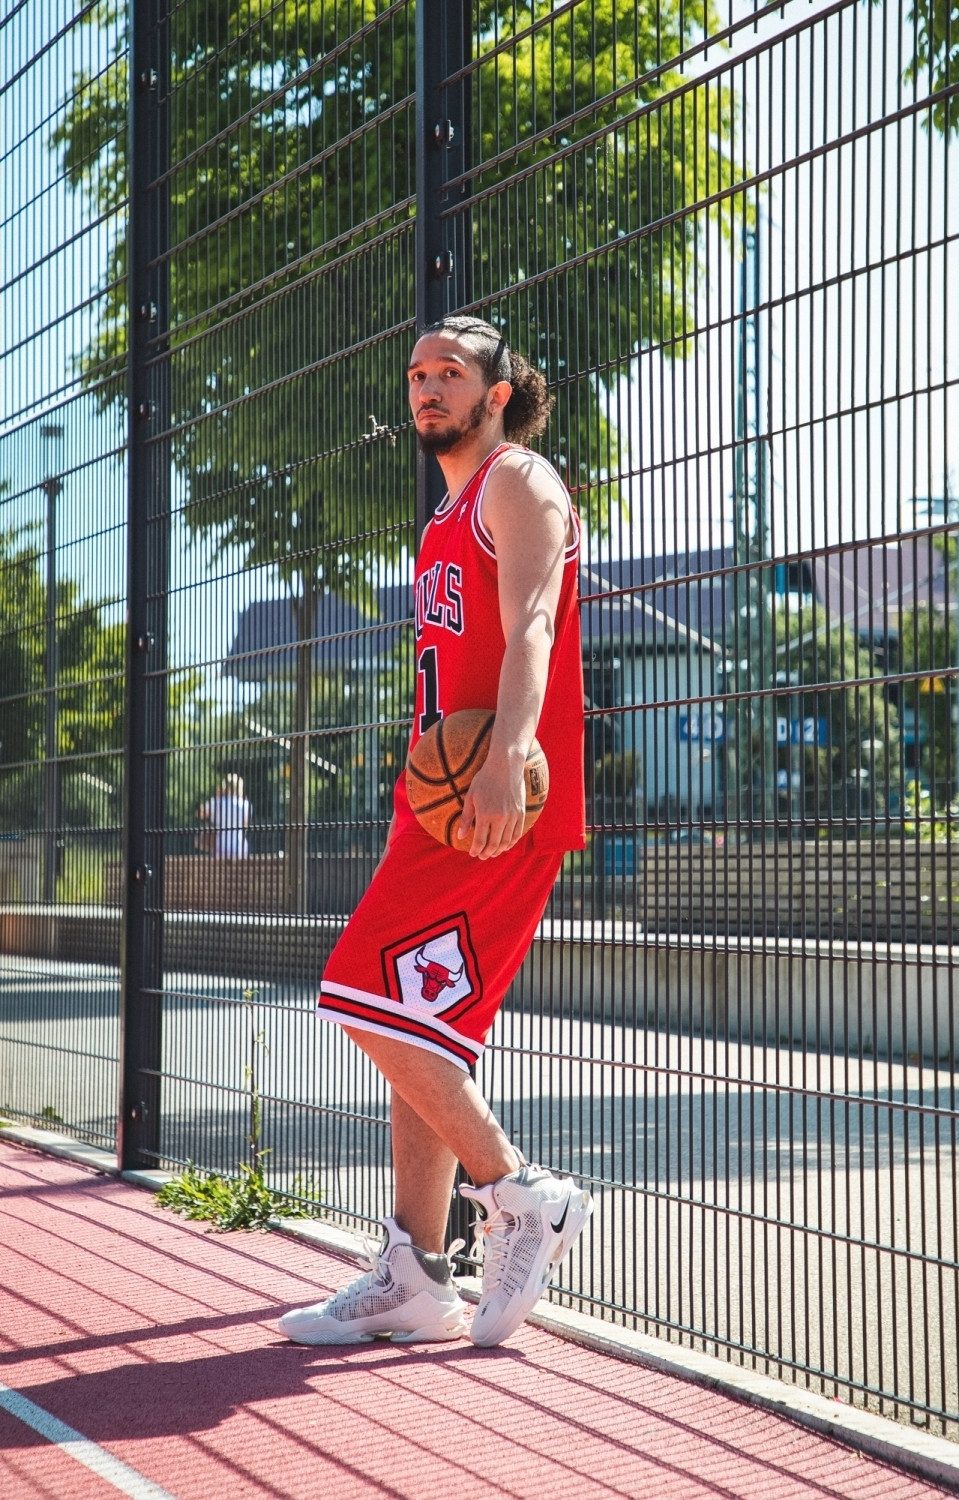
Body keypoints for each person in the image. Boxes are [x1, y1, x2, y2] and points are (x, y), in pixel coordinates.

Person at [279, 316, 591, 1349]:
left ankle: (519, 1194)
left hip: (500, 802)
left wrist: (504, 757)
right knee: (419, 1028)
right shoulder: (440, 520)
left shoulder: (518, 479)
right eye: (416, 373)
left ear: (497, 393)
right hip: (444, 806)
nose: (426, 388)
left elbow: (534, 622)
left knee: (356, 991)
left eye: (450, 373)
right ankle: (416, 1274)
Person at [197, 773, 251, 860]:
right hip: (240, 846)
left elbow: (200, 814)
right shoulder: (245, 804)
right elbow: (245, 825)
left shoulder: (217, 802)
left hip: (221, 845)